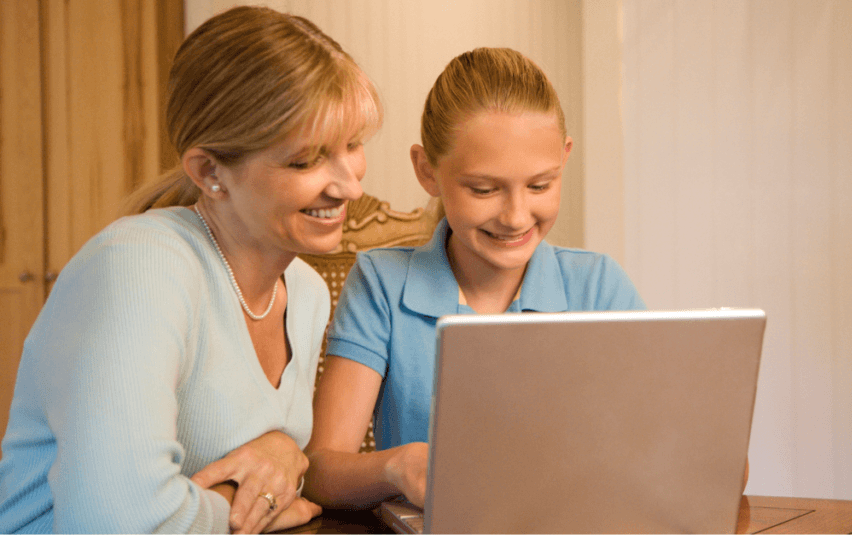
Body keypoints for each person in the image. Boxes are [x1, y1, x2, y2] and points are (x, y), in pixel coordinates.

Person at [0, 6, 380, 533]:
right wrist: (250, 504)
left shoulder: (307, 291)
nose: (350, 186)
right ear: (209, 172)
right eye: (305, 161)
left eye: (352, 145)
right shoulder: (138, 265)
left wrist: (282, 454)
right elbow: (116, 525)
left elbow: (263, 469)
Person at [303, 47, 646, 510]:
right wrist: (398, 466)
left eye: (540, 185)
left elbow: (681, 453)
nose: (516, 216)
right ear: (428, 171)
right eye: (484, 190)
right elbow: (321, 471)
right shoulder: (381, 283)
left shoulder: (599, 286)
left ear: (565, 157)